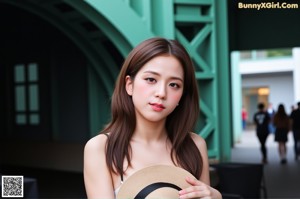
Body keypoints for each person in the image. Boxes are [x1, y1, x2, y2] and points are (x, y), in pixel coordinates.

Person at [83, 37, 222, 199]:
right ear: (129, 85)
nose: (161, 93)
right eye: (151, 80)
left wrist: (215, 196)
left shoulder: (195, 145)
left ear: (181, 96)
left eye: (174, 85)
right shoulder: (102, 148)